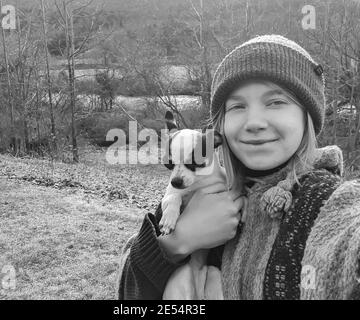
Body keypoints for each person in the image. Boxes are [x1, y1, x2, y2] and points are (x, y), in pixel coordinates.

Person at [117, 35, 360, 300]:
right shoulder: (196, 188)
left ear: (308, 117)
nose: (254, 121)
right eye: (237, 106)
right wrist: (175, 244)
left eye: (276, 102)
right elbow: (127, 293)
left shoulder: (330, 203)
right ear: (220, 126)